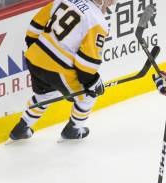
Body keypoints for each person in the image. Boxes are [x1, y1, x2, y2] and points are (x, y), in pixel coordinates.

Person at [8, 0, 114, 142]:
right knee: (88, 96)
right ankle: (74, 129)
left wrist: (37, 50)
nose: (113, 2)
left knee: (45, 94)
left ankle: (21, 129)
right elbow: (86, 63)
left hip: (35, 58)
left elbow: (35, 25)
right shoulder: (97, 21)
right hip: (57, 69)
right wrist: (93, 83)